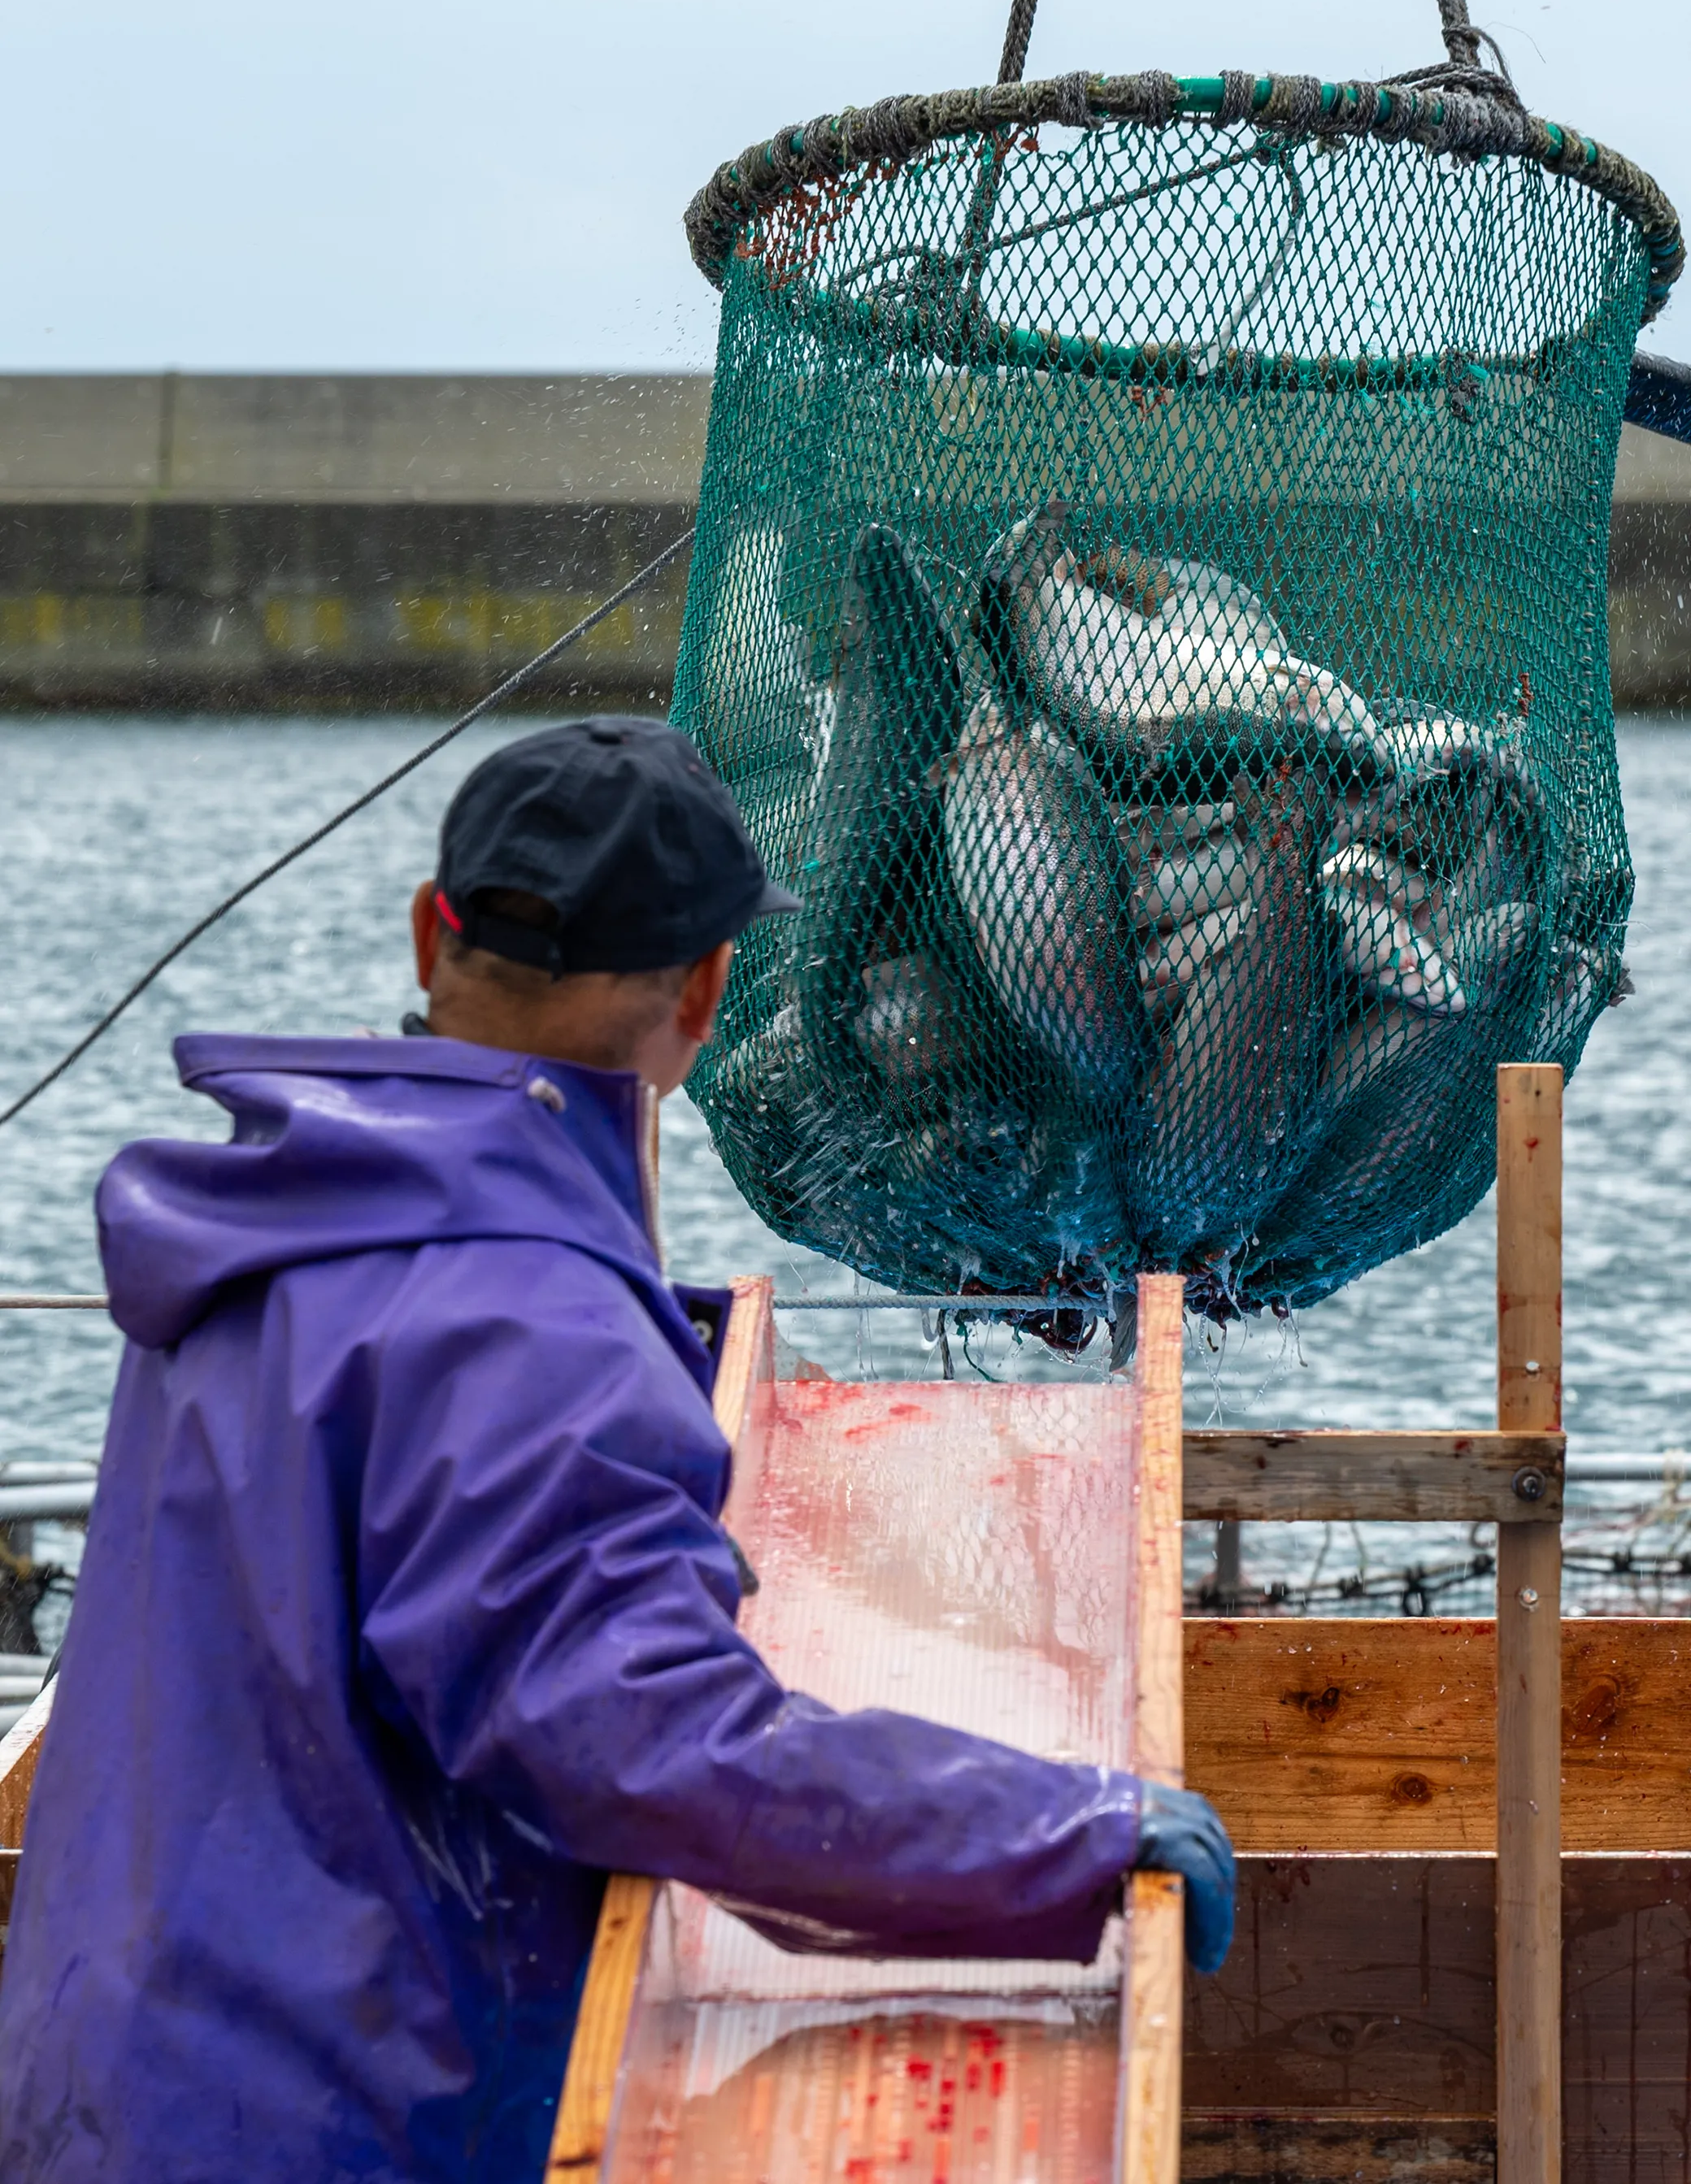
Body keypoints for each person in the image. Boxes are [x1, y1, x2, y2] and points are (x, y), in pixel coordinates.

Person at [0, 717, 1233, 2183]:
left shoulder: (268, 1231)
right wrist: (1066, 1834)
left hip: (98, 2082)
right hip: (332, 2130)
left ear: (425, 938)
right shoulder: (533, 1328)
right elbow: (652, 1750)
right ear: (708, 991)